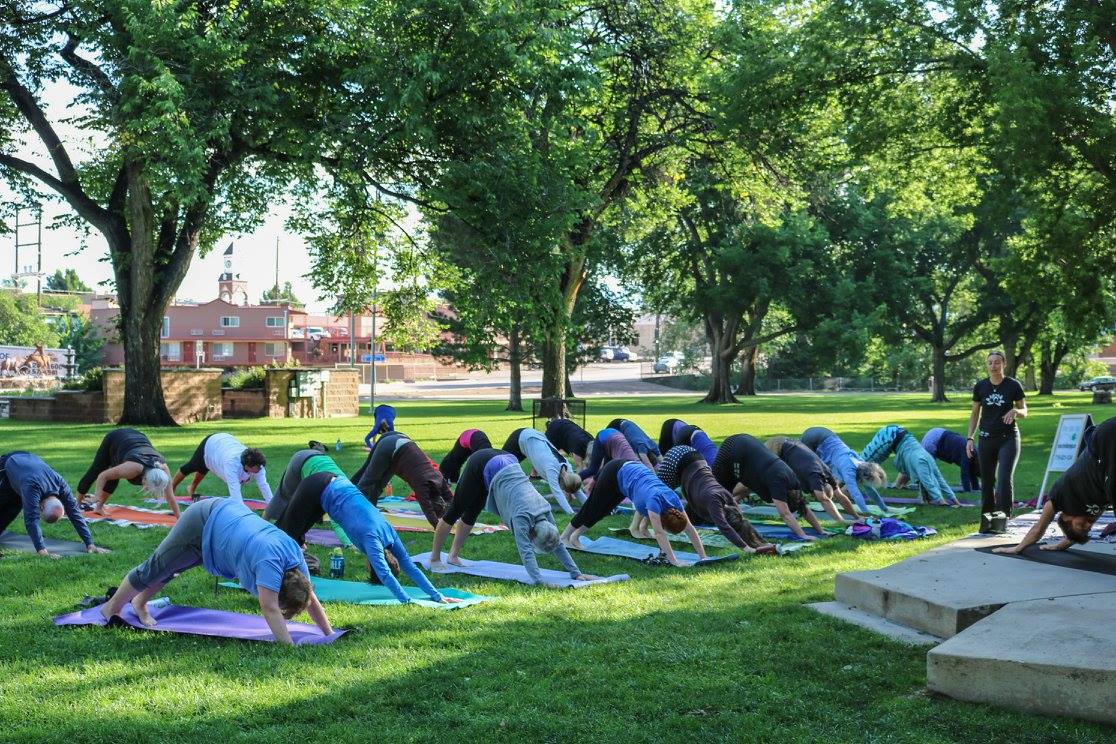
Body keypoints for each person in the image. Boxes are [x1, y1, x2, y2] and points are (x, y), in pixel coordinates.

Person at [98, 498, 333, 645]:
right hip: (203, 520)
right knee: (155, 568)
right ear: (279, 589)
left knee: (172, 568)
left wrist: (328, 633)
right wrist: (288, 647)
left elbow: (310, 598)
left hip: (222, 528)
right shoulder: (269, 564)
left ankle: (139, 603)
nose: (285, 615)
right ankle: (112, 609)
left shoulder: (297, 564)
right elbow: (269, 607)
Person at [276, 472, 454, 604]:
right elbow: (385, 574)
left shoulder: (389, 533)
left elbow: (409, 566)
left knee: (293, 535)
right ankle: (271, 578)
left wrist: (437, 596)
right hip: (318, 487)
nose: (366, 566)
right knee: (284, 534)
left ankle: (281, 576)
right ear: (374, 564)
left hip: (333, 486)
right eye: (370, 568)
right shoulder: (372, 541)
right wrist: (406, 600)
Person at [428, 449, 598, 585]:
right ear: (530, 534)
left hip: (504, 463)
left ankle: (453, 556)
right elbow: (526, 552)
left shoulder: (545, 511)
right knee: (456, 509)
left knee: (472, 512)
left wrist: (576, 573)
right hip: (481, 462)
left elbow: (557, 543)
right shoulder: (521, 519)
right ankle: (435, 558)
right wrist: (540, 581)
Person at [992, 418, 1116, 553]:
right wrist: (1060, 546)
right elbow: (1075, 534)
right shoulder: (1091, 513)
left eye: (1082, 525)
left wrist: (1017, 548)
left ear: (1066, 518)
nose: (1089, 524)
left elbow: (1039, 529)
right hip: (1106, 453)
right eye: (1089, 527)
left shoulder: (1059, 495)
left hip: (1105, 438)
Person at [559, 458, 710, 566]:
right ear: (664, 523)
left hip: (629, 478)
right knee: (592, 507)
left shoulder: (675, 502)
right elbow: (659, 533)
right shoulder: (654, 504)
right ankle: (564, 537)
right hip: (615, 471)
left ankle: (575, 536)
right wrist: (674, 561)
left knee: (603, 511)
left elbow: (690, 529)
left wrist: (703, 557)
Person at [656, 445, 776, 554]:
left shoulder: (725, 495)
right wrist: (745, 547)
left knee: (691, 517)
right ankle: (644, 526)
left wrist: (759, 541)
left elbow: (741, 518)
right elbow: (724, 527)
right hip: (677, 457)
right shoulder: (714, 503)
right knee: (658, 492)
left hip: (696, 458)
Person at [713, 434, 830, 541]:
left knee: (724, 496)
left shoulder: (793, 483)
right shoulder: (778, 484)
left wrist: (820, 531)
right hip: (732, 449)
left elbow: (803, 508)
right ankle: (704, 517)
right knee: (716, 494)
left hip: (743, 444)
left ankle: (719, 518)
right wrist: (802, 535)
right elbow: (785, 514)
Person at [0, 451, 110, 558]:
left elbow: (75, 514)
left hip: (23, 472)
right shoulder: (32, 489)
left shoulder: (61, 485)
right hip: (9, 464)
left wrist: (90, 544)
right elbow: (31, 520)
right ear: (42, 507)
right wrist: (42, 551)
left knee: (12, 508)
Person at [967, 351, 1027, 520]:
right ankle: (986, 520)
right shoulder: (980, 386)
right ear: (987, 365)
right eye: (990, 363)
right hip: (986, 439)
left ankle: (1003, 519)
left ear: (1004, 364)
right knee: (986, 483)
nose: (993, 366)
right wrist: (970, 438)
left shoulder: (1013, 385)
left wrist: (1016, 411)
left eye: (997, 362)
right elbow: (974, 415)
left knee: (1003, 479)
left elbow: (1025, 412)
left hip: (1008, 438)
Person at [351, 432, 452, 527]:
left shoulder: (439, 479)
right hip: (391, 446)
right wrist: (437, 526)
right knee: (367, 483)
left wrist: (460, 514)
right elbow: (427, 509)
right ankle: (350, 513)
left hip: (399, 444)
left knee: (378, 486)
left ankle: (371, 515)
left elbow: (451, 498)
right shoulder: (422, 486)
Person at [77, 428, 177, 517]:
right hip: (116, 438)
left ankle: (98, 508)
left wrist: (179, 518)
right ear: (145, 478)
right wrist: (97, 496)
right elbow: (103, 476)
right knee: (97, 470)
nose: (146, 488)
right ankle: (76, 505)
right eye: (147, 486)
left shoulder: (163, 470)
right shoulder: (133, 468)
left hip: (136, 440)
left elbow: (170, 497)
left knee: (114, 476)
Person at [860, 425, 962, 507]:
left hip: (897, 436)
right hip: (889, 436)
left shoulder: (929, 459)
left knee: (866, 468)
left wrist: (954, 500)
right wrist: (941, 501)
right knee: (861, 464)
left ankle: (847, 488)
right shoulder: (922, 462)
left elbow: (940, 481)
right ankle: (846, 491)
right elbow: (929, 483)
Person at [765, 436, 861, 521]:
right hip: (778, 445)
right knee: (764, 472)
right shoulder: (815, 477)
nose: (816, 498)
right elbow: (824, 499)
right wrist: (841, 520)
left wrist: (857, 516)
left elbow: (840, 496)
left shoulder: (827, 474)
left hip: (788, 443)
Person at [800, 427, 889, 513]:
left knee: (816, 470)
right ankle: (799, 496)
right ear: (865, 477)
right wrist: (865, 512)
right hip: (813, 437)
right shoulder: (849, 470)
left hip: (825, 435)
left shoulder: (862, 465)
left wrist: (884, 508)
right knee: (807, 468)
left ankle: (808, 493)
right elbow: (856, 494)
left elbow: (871, 490)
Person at [170, 432, 273, 504]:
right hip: (212, 443)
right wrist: (244, 513)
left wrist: (272, 505)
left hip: (224, 444)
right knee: (192, 466)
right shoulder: (231, 463)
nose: (261, 469)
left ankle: (191, 488)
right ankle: (171, 487)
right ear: (248, 465)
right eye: (258, 468)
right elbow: (235, 491)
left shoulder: (258, 463)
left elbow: (263, 484)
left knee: (204, 467)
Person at [501, 427, 586, 514]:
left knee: (507, 468)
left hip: (533, 439)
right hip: (521, 437)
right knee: (501, 466)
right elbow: (557, 493)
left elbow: (577, 491)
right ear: (562, 483)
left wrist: (591, 509)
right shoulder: (551, 469)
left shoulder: (569, 470)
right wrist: (571, 513)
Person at [894, 428, 980, 493]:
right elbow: (965, 473)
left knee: (921, 464)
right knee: (922, 465)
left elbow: (972, 472)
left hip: (939, 433)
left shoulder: (974, 455)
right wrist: (968, 491)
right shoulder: (969, 453)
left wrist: (976, 488)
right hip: (934, 440)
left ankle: (901, 484)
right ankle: (898, 484)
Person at [265, 441, 328, 521]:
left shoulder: (306, 456)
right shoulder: (316, 461)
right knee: (290, 499)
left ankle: (264, 524)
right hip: (299, 470)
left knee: (283, 497)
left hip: (298, 465)